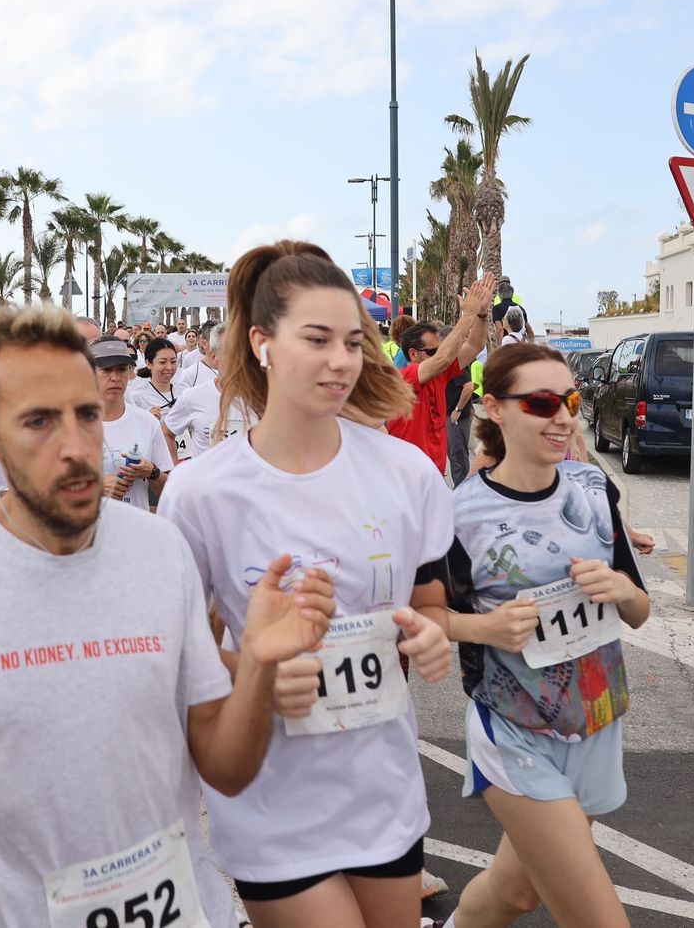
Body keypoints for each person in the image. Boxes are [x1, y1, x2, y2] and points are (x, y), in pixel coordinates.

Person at [0, 302, 336, 927]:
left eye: (86, 416)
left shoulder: (161, 552)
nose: (76, 447)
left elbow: (227, 770)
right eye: (39, 422)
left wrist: (261, 665)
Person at [159, 240, 454, 928]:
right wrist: (254, 670)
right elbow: (182, 656)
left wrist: (432, 635)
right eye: (317, 339)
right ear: (262, 341)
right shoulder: (202, 492)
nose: (342, 360)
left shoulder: (407, 472)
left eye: (354, 342)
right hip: (271, 802)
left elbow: (431, 602)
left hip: (383, 790)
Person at [442, 342, 650, 927]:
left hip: (597, 714)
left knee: (516, 894)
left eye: (570, 400)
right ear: (495, 410)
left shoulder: (592, 489)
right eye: (540, 402)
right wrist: (486, 626)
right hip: (514, 727)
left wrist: (619, 587)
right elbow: (422, 619)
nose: (563, 417)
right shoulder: (460, 513)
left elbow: (640, 610)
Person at [387, 274, 496, 477]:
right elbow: (444, 357)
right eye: (432, 351)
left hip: (433, 476)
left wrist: (481, 315)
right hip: (405, 478)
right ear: (413, 354)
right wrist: (468, 315)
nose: (439, 353)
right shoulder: (405, 376)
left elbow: (474, 346)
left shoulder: (440, 373)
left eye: (440, 348)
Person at [91, 338, 174, 508]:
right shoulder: (73, 424)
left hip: (136, 529)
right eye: (106, 370)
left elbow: (170, 492)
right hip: (89, 531)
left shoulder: (147, 422)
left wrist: (152, 472)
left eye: (121, 369)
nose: (115, 377)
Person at [163, 325, 256, 459]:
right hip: (203, 479)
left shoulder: (264, 398)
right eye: (232, 353)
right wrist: (177, 471)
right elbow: (167, 433)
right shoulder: (192, 397)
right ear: (214, 357)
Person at [126, 336, 187, 460]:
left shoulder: (185, 391)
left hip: (186, 461)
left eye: (173, 361)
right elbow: (129, 437)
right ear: (148, 363)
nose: (169, 367)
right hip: (156, 464)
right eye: (162, 362)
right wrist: (146, 421)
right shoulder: (137, 396)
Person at [445, 330, 477, 485]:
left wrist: (457, 410)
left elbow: (468, 387)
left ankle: (463, 494)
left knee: (457, 456)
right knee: (457, 455)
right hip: (455, 414)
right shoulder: (452, 359)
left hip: (456, 416)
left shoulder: (455, 360)